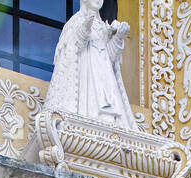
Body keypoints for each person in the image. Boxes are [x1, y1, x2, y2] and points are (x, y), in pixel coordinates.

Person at [43, 0, 136, 130]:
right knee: (92, 108)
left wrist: (118, 37)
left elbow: (111, 56)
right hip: (87, 75)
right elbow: (72, 50)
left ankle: (108, 125)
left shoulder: (104, 26)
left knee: (108, 109)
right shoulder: (76, 21)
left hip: (105, 76)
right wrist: (84, 30)